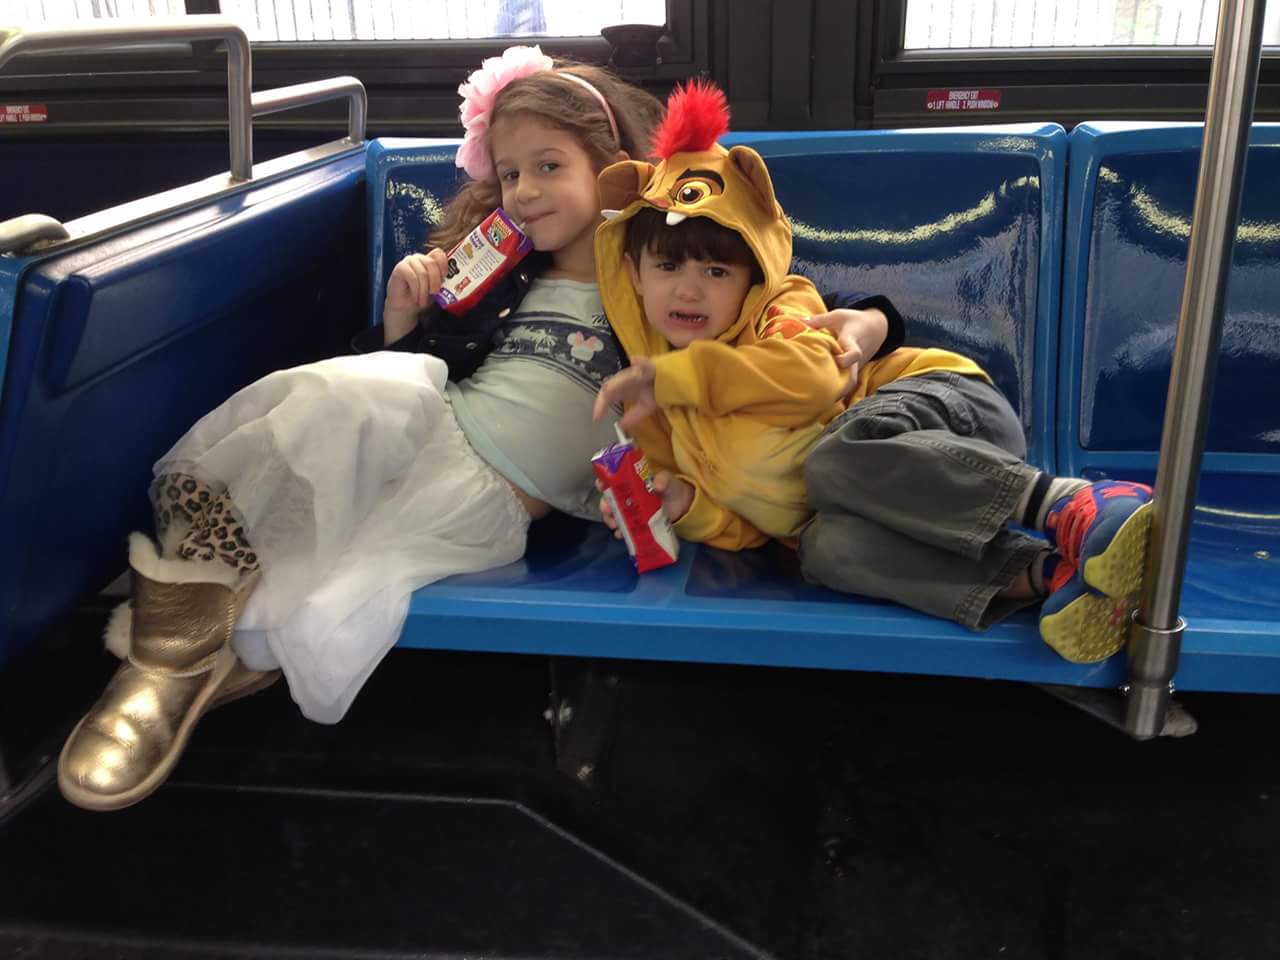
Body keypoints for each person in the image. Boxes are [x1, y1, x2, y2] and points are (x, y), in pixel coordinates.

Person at [56, 45, 665, 813]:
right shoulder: (501, 276)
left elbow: (738, 322)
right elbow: (430, 370)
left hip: (488, 503)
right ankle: (163, 653)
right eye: (511, 174)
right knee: (352, 397)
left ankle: (194, 653)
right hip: (430, 426)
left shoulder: (651, 273)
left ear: (611, 166)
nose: (527, 191)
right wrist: (404, 318)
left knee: (305, 606)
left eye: (550, 166)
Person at [592, 80, 1154, 666]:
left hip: (944, 408)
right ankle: (1052, 574)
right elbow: (751, 525)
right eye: (667, 266)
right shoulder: (659, 412)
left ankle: (1070, 503)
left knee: (832, 460)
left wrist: (678, 377)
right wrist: (687, 505)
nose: (688, 289)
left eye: (715, 272)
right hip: (880, 500)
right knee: (825, 552)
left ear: (754, 276)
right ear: (634, 275)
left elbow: (814, 380)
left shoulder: (778, 313)